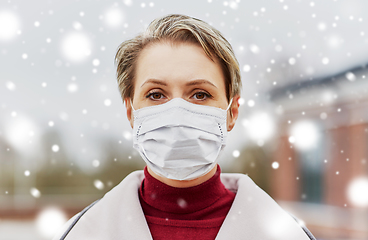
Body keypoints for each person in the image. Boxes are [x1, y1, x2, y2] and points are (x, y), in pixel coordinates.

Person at [53, 14, 316, 240]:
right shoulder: (81, 233)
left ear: (232, 112)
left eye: (200, 94)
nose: (176, 113)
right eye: (156, 94)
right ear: (130, 112)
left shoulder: (288, 235)